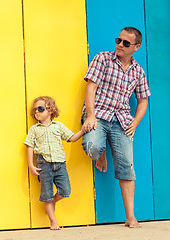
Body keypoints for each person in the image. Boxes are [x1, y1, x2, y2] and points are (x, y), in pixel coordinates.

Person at [81, 27, 151, 228]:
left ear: (136, 47)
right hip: (99, 115)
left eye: (126, 43)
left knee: (127, 167)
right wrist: (91, 116)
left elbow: (143, 100)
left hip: (121, 120)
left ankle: (130, 217)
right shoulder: (102, 59)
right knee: (93, 146)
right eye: (118, 40)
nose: (120, 45)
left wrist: (135, 122)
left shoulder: (138, 71)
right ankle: (101, 150)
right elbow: (91, 88)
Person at [24, 96, 84, 230]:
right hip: (43, 165)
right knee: (46, 193)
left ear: (50, 110)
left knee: (65, 191)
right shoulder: (35, 129)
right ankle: (53, 222)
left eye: (40, 109)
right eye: (35, 110)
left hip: (60, 164)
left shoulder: (58, 126)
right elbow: (29, 146)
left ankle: (50, 203)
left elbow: (72, 138)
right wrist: (30, 165)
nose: (37, 112)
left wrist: (83, 131)